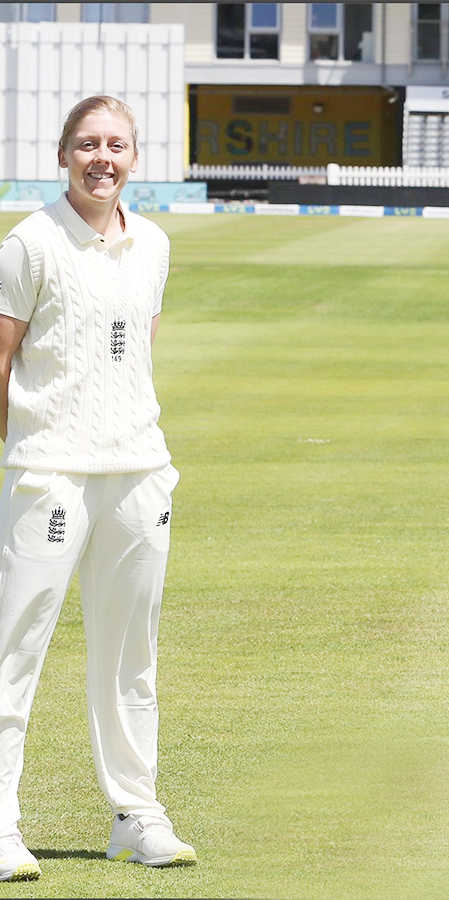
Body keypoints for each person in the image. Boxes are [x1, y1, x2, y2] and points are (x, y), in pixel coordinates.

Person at [0, 95, 194, 880]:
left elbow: (135, 352)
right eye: (87, 145)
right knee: (14, 653)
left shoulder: (153, 244)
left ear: (136, 158)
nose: (101, 158)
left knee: (130, 659)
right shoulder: (28, 244)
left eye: (116, 145)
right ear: (63, 155)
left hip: (139, 473)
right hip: (49, 471)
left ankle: (135, 815)